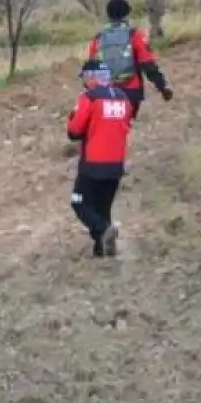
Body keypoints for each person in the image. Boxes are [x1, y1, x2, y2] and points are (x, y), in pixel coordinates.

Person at [67, 59, 135, 257]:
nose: (84, 82)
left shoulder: (89, 98)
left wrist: (73, 116)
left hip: (93, 163)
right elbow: (126, 125)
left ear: (92, 78)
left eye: (85, 78)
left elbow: (74, 131)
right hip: (116, 164)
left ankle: (104, 231)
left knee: (79, 202)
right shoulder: (123, 98)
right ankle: (102, 250)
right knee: (102, 207)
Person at [84, 0, 172, 120]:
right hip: (131, 92)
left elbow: (91, 70)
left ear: (108, 15)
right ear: (126, 15)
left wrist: (92, 94)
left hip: (105, 94)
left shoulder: (98, 38)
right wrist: (162, 87)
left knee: (110, 128)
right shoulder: (134, 35)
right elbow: (148, 65)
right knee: (123, 127)